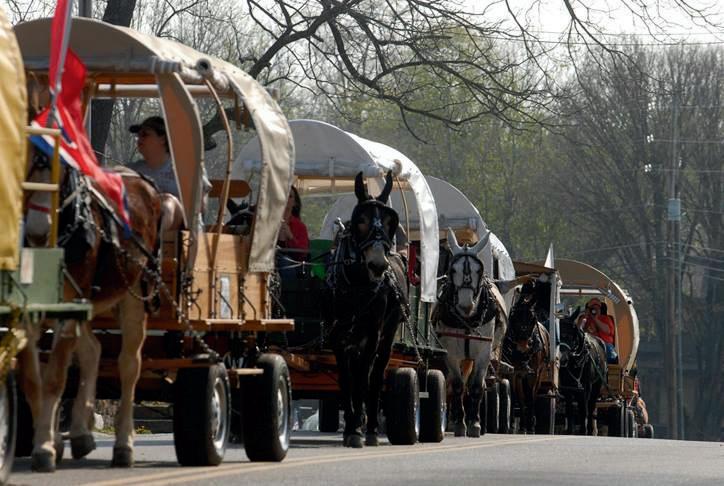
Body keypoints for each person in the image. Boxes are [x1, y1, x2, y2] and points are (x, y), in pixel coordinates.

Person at [127, 116, 211, 231]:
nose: (139, 139)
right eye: (138, 135)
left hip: (185, 231)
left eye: (145, 134)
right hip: (141, 222)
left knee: (167, 202)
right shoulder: (131, 171)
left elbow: (200, 207)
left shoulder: (187, 168)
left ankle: (154, 238)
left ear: (163, 139)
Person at [579, 297, 618, 363]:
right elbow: (578, 329)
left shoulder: (606, 318)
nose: (595, 310)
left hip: (605, 345)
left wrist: (595, 319)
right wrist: (584, 316)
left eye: (597, 308)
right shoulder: (585, 319)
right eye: (592, 308)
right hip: (589, 345)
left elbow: (607, 330)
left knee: (611, 357)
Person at [277, 186, 309, 260]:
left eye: (290, 196)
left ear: (295, 203)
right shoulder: (268, 222)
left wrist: (290, 236)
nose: (286, 198)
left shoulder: (300, 226)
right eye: (283, 195)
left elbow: (303, 253)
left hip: (291, 262)